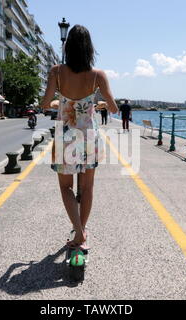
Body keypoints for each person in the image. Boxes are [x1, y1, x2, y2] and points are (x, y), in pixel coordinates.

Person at [39, 25, 119, 250]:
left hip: (66, 135)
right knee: (87, 188)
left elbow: (45, 104)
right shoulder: (97, 75)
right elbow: (113, 108)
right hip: (89, 136)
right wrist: (98, 103)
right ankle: (81, 232)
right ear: (89, 49)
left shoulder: (56, 72)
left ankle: (78, 232)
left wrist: (58, 102)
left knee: (66, 188)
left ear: (68, 47)